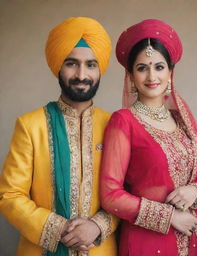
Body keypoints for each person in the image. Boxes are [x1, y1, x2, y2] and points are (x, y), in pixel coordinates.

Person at [100, 19, 197, 256]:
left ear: (170, 72)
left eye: (159, 67)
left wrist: (194, 191)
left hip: (193, 237)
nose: (152, 76)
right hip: (147, 242)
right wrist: (169, 216)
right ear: (131, 76)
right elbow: (111, 195)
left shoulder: (181, 119)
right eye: (142, 68)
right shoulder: (123, 121)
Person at [0, 17, 118, 256]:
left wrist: (97, 226)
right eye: (71, 63)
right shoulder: (30, 125)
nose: (81, 74)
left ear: (100, 69)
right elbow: (10, 195)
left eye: (91, 65)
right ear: (58, 67)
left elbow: (128, 191)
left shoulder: (115, 125)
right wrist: (62, 230)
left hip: (100, 249)